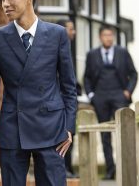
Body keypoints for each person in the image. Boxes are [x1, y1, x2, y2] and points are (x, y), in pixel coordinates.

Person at [0, 0, 77, 186]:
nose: (5, 3)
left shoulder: (57, 34)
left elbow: (69, 87)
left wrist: (69, 127)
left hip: (52, 129)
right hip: (11, 128)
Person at [84, 25, 137, 180]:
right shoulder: (92, 54)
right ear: (100, 37)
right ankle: (110, 170)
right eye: (105, 35)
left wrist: (128, 92)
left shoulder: (122, 52)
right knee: (105, 135)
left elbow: (133, 74)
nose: (108, 38)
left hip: (119, 95)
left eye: (111, 35)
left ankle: (126, 167)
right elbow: (87, 77)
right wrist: (91, 95)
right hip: (100, 97)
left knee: (124, 132)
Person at [56, 19, 80, 179]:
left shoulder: (70, 47)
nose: (74, 32)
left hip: (68, 98)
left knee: (70, 133)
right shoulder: (54, 46)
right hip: (57, 98)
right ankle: (62, 168)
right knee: (60, 134)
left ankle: (68, 168)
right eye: (71, 29)